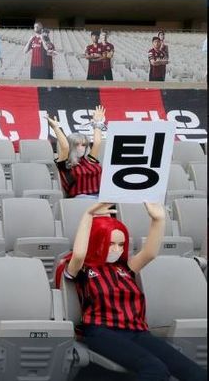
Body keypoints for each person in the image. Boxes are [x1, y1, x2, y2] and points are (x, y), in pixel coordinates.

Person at [55, 202, 207, 381]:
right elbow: (79, 254)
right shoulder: (83, 268)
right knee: (154, 369)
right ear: (96, 240)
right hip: (102, 331)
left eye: (121, 244)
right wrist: (88, 215)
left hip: (137, 331)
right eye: (110, 243)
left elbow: (149, 253)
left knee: (194, 372)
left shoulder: (125, 268)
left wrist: (158, 220)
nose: (117, 250)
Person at [47, 105, 105, 198]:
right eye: (77, 144)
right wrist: (56, 128)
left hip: (100, 197)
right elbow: (65, 147)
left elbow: (97, 142)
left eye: (84, 145)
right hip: (79, 198)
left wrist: (97, 123)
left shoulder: (89, 160)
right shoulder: (66, 163)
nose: (81, 147)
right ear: (72, 146)